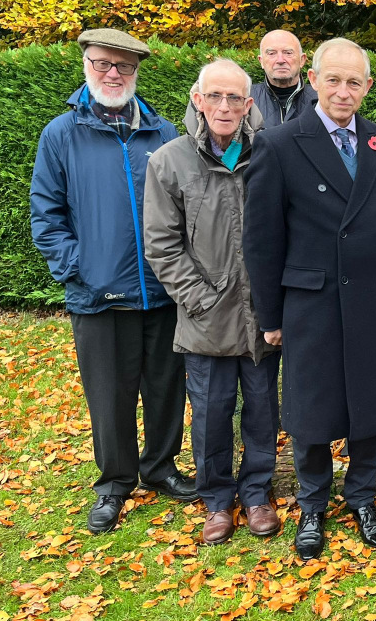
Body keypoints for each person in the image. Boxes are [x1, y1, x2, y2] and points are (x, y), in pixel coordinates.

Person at [242, 37, 376, 560]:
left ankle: (362, 496)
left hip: (374, 297)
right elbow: (262, 240)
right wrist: (271, 315)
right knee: (312, 407)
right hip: (311, 301)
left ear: (368, 87)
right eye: (333, 79)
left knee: (371, 403)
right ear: (313, 79)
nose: (343, 91)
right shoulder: (279, 143)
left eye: (353, 81)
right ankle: (313, 503)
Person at [30, 28, 197, 534]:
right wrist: (81, 268)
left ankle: (161, 467)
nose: (112, 74)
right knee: (109, 396)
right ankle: (114, 482)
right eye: (103, 63)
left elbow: (190, 210)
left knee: (167, 389)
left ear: (136, 72)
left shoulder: (164, 133)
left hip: (163, 292)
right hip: (98, 297)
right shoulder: (61, 134)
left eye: (123, 67)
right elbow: (46, 216)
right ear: (86, 65)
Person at [144, 59, 281, 545]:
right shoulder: (169, 160)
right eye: (215, 96)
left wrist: (277, 301)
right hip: (205, 318)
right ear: (198, 100)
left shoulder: (269, 153)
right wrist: (198, 299)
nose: (224, 106)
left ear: (249, 105)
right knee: (210, 415)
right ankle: (218, 501)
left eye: (235, 98)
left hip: (261, 316)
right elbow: (161, 243)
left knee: (263, 411)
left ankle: (258, 494)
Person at [250, 30, 318, 127]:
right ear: (261, 61)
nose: (280, 60)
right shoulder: (247, 99)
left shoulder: (320, 99)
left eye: (288, 53)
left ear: (302, 60)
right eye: (271, 53)